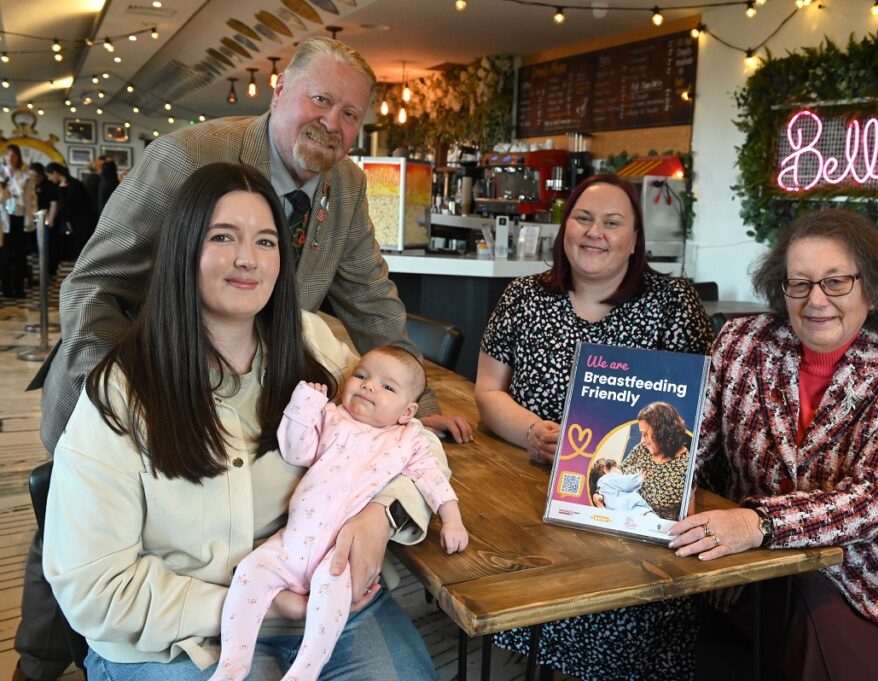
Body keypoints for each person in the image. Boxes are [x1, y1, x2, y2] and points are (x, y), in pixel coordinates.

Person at [20, 37, 469, 681]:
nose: (334, 124)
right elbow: (96, 285)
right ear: (279, 88)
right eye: (321, 99)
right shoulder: (187, 159)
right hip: (153, 372)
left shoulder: (342, 187)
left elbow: (371, 299)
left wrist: (410, 404)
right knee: (83, 536)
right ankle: (38, 663)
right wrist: (132, 393)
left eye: (351, 114)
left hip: (271, 380)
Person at [669, 208, 878, 681]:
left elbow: (875, 499)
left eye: (835, 282)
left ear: (872, 288)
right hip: (755, 573)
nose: (816, 300)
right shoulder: (741, 342)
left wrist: (760, 523)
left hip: (867, 577)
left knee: (814, 627)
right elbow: (691, 441)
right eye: (800, 283)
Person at [475, 173, 714, 680]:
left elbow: (697, 414)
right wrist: (530, 431)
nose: (594, 232)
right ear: (565, 229)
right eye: (583, 218)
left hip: (634, 513)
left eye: (612, 223)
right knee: (502, 581)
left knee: (629, 613)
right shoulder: (523, 297)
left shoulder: (674, 304)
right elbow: (488, 390)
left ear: (634, 241)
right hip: (529, 492)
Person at [211, 347, 468, 681]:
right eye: (361, 375)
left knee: (329, 601)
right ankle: (232, 665)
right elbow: (296, 450)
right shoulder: (333, 416)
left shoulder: (409, 440)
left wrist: (452, 519)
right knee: (250, 574)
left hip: (339, 555)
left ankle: (305, 670)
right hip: (291, 542)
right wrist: (303, 407)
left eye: (387, 387)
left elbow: (432, 480)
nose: (368, 386)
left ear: (408, 411)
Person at [621, 401, 692, 520]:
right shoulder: (642, 448)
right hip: (626, 515)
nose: (642, 441)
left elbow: (689, 515)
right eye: (641, 434)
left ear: (663, 434)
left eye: (645, 435)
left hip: (657, 529)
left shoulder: (686, 465)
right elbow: (618, 474)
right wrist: (600, 493)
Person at [43, 163, 97, 262]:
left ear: (55, 173)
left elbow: (67, 205)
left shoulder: (74, 184)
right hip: (76, 220)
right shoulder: (64, 184)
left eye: (50, 175)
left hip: (82, 221)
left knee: (81, 246)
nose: (50, 179)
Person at [1, 144, 30, 299]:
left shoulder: (24, 175)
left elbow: (30, 199)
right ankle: (6, 289)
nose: (11, 159)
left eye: (14, 156)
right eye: (8, 155)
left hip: (19, 217)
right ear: (5, 157)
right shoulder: (1, 173)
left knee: (21, 256)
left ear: (18, 158)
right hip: (3, 219)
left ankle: (19, 289)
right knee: (5, 257)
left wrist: (30, 219)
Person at [590, 458, 655, 515]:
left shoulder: (601, 488)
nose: (621, 471)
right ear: (606, 470)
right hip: (635, 510)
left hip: (619, 514)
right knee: (652, 519)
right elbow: (628, 482)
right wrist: (639, 478)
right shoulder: (610, 478)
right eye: (617, 468)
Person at [28, 163, 60, 278]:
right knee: (35, 248)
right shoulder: (30, 185)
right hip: (32, 221)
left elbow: (54, 203)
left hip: (45, 220)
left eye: (35, 176)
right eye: (30, 175)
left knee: (47, 247)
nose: (33, 178)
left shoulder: (49, 185)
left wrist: (50, 219)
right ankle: (39, 272)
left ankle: (49, 273)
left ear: (41, 175)